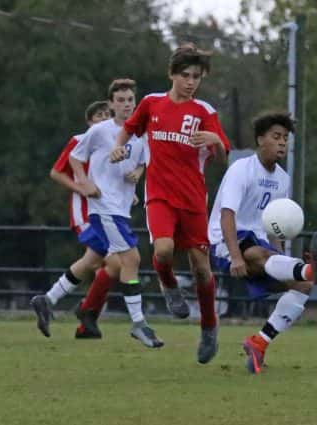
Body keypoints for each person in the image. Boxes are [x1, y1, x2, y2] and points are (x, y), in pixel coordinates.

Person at [110, 44, 231, 364]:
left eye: (197, 77)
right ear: (172, 75)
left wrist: (216, 141)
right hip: (159, 195)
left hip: (193, 199)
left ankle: (208, 328)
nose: (191, 82)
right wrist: (119, 148)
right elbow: (127, 129)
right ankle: (168, 286)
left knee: (202, 268)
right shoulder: (151, 104)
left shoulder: (204, 112)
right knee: (162, 251)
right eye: (186, 76)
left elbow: (222, 158)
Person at [31, 78, 163, 348]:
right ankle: (138, 323)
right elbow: (74, 159)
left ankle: (48, 299)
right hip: (103, 208)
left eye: (130, 100)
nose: (127, 105)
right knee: (130, 259)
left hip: (121, 209)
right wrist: (85, 183)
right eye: (121, 101)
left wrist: (136, 174)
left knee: (93, 261)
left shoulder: (142, 133)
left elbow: (143, 163)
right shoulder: (100, 131)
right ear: (112, 104)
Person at [208, 110, 317, 374]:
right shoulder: (241, 169)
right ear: (261, 139)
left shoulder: (282, 180)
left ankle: (259, 343)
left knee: (303, 285)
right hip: (226, 242)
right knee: (261, 254)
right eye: (276, 137)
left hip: (260, 247)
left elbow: (275, 227)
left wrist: (281, 257)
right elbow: (226, 215)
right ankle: (309, 268)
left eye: (285, 138)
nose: (283, 142)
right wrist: (235, 256)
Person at [50, 101, 116, 339]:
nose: (104, 119)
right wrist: (81, 188)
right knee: (115, 261)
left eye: (107, 115)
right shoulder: (79, 140)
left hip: (108, 212)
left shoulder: (114, 143)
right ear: (89, 121)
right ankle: (78, 308)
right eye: (99, 115)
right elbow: (56, 172)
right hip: (85, 212)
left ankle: (84, 319)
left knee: (108, 265)